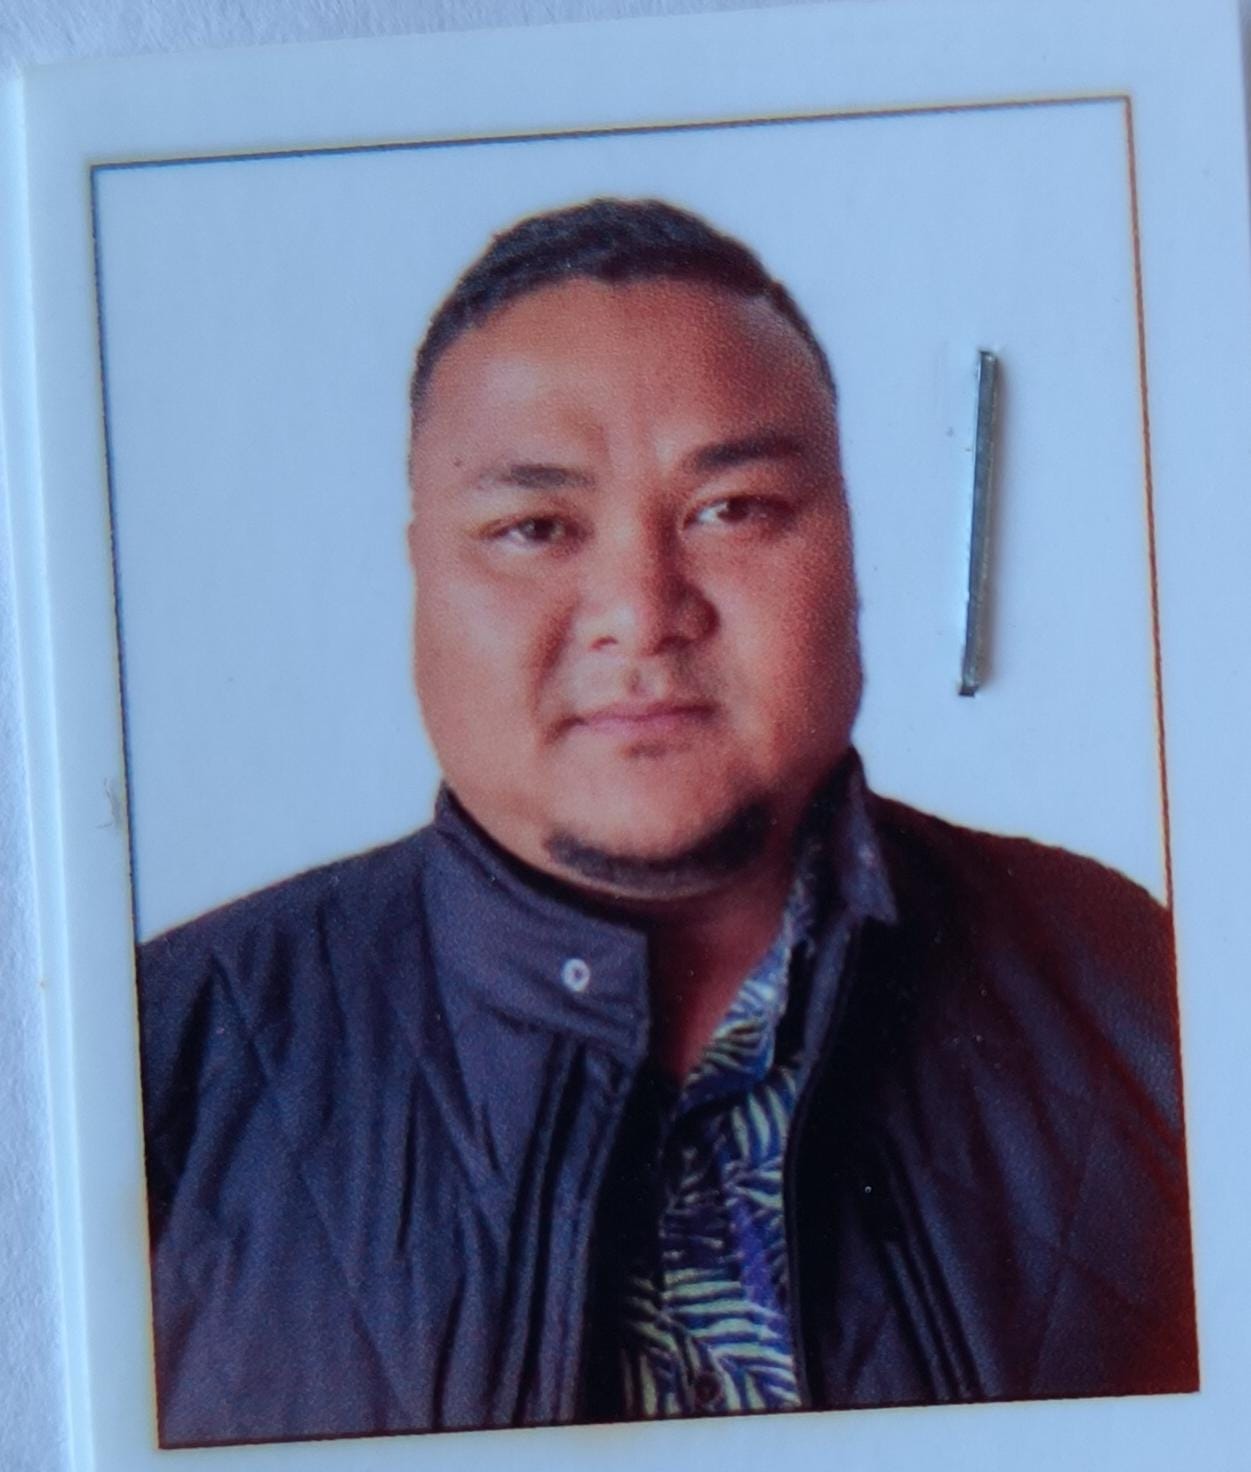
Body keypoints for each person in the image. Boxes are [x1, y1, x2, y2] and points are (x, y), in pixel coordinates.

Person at [138, 198, 1196, 1447]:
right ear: (421, 571)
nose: (641, 611)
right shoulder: (162, 1058)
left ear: (851, 547)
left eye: (732, 508)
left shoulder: (1142, 985)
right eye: (536, 528)